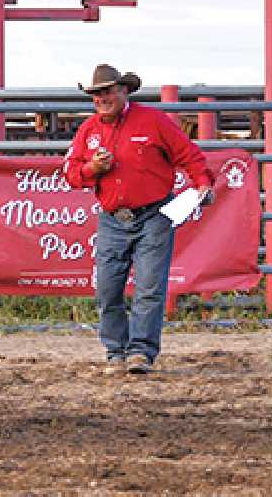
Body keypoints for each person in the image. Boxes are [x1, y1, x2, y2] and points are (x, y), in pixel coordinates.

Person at [64, 64, 212, 376]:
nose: (102, 98)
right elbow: (70, 173)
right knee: (107, 288)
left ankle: (140, 351)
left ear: (123, 91)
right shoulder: (88, 131)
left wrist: (202, 182)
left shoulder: (153, 121)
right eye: (96, 94)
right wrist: (92, 169)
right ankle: (116, 350)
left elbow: (187, 154)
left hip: (154, 214)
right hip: (112, 218)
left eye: (107, 91)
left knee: (148, 287)